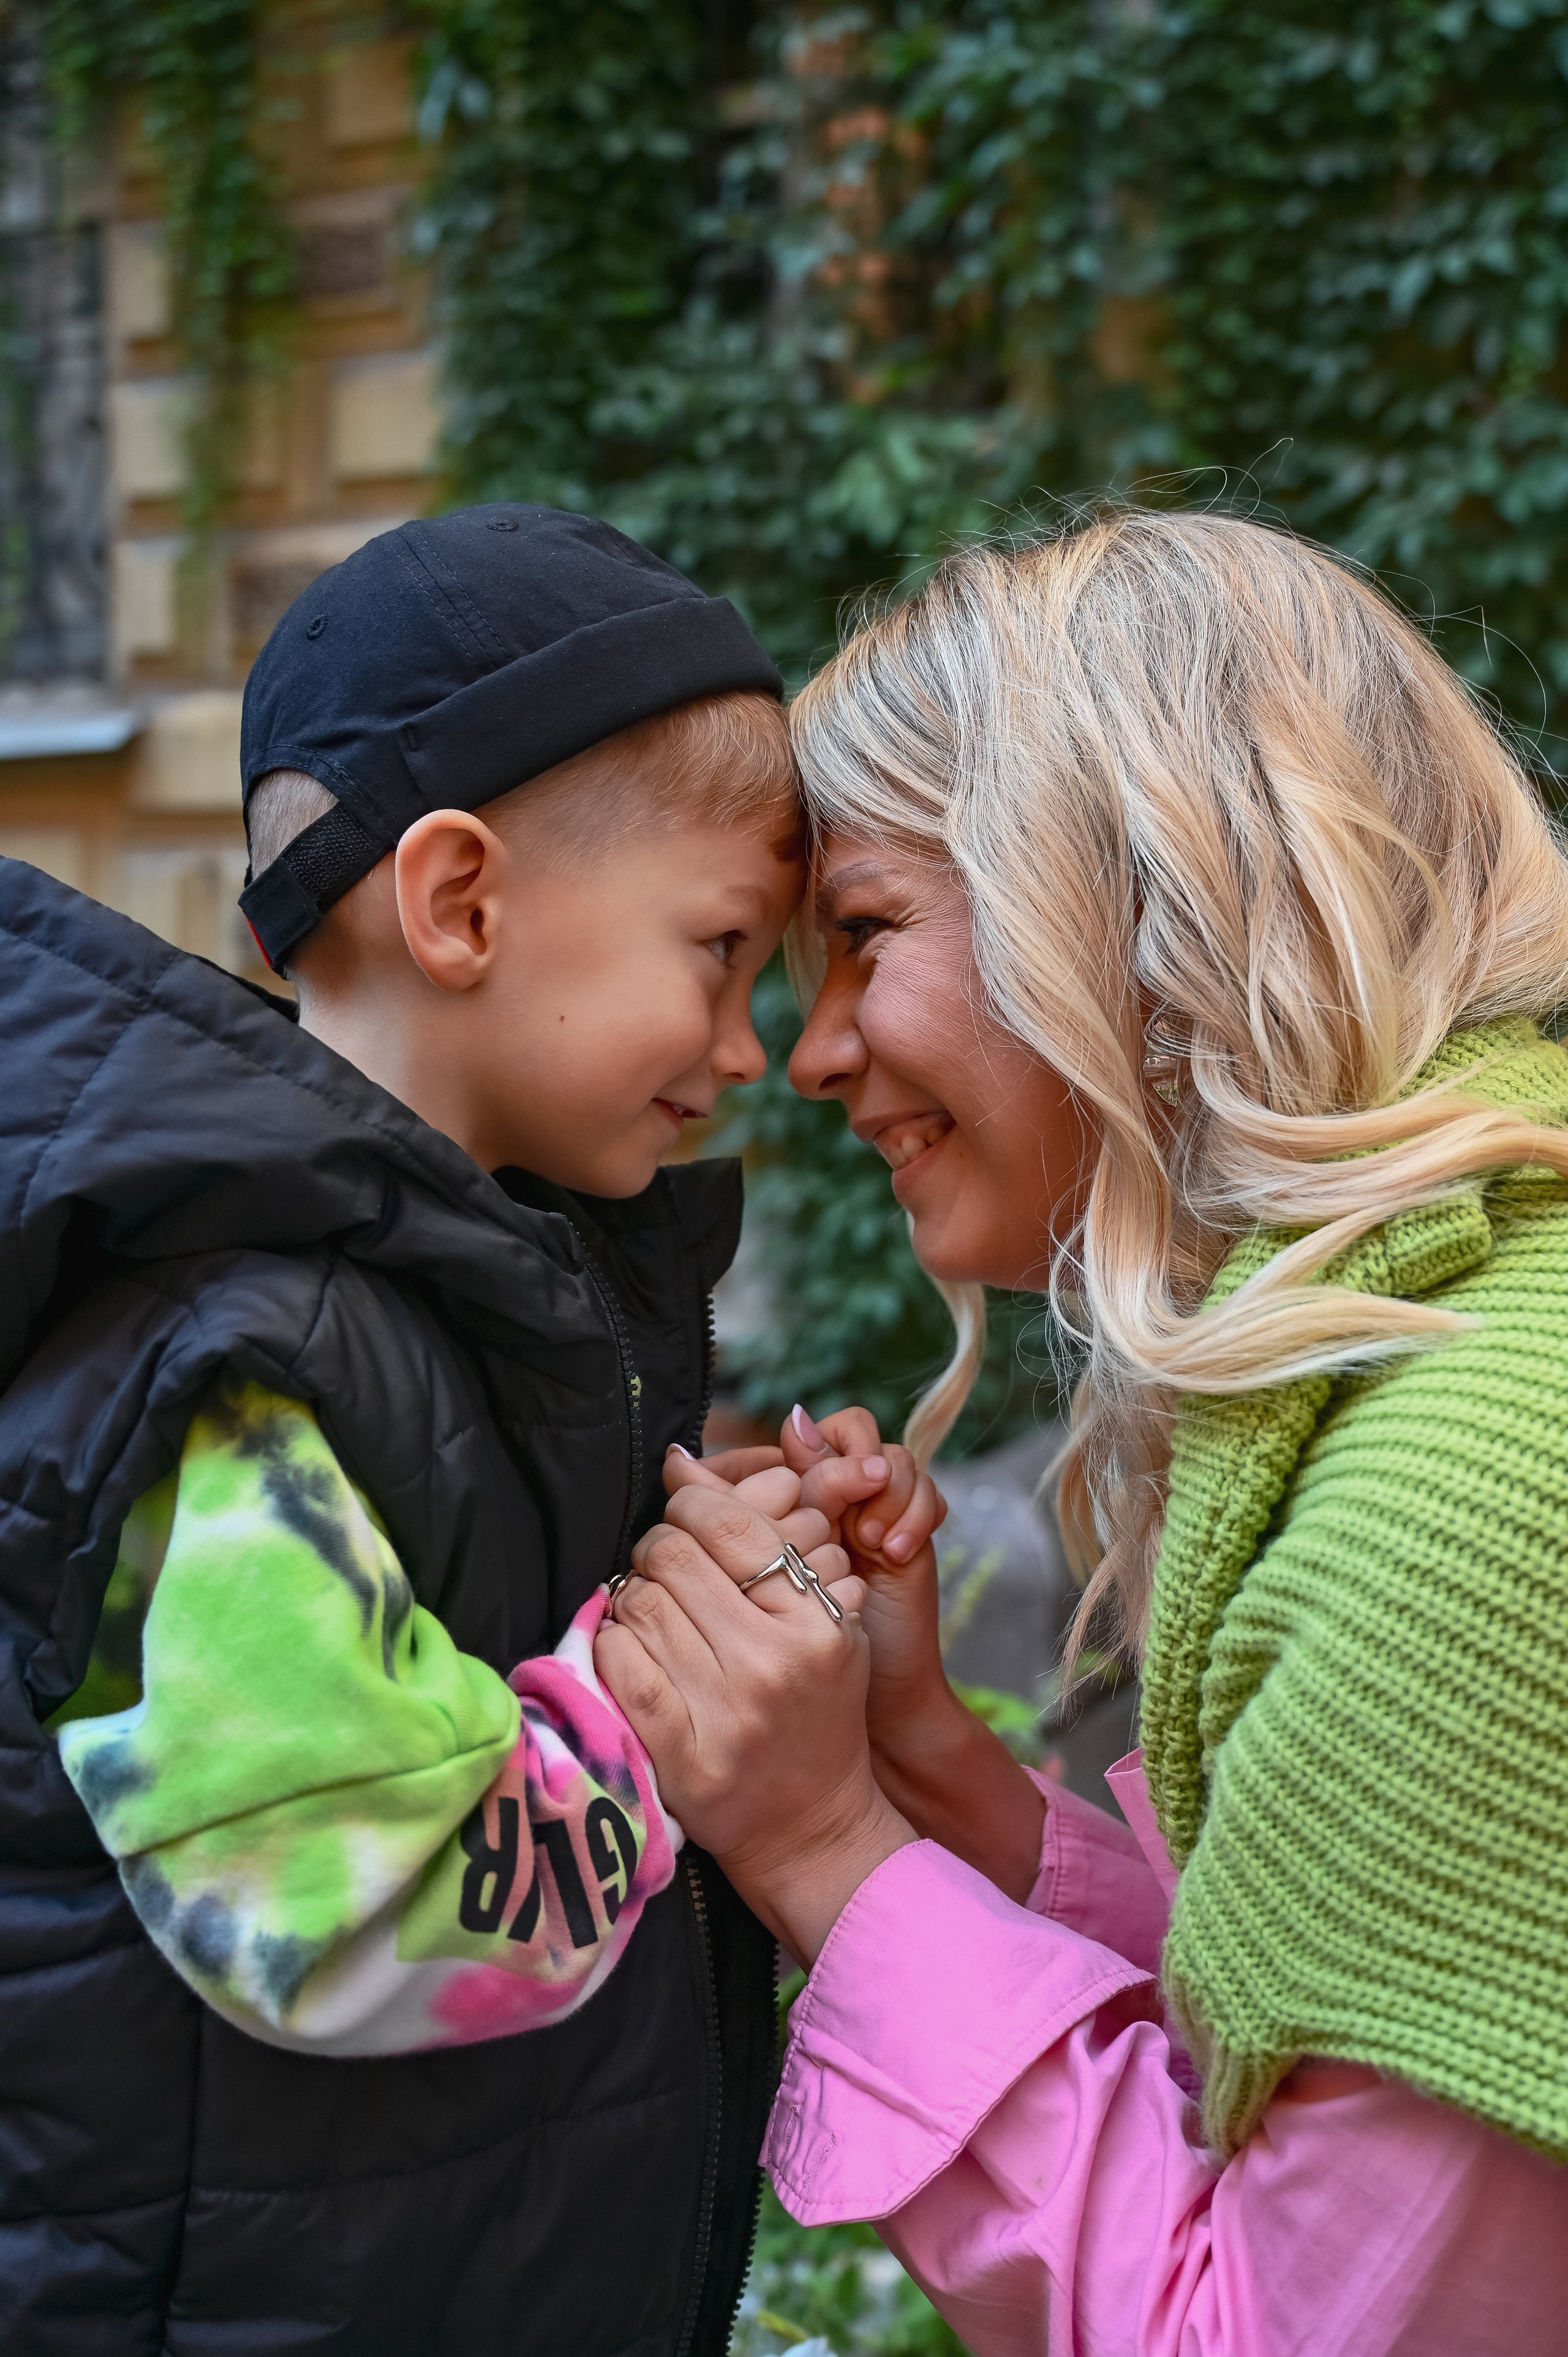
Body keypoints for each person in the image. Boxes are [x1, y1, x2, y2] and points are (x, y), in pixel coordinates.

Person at [594, 511, 1568, 2355]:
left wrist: (816, 1849)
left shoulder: (1470, 1499)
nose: (808, 1053)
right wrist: (921, 1767)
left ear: (1126, 892)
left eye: (867, 933)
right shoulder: (1476, 1320)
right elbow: (1313, 2042)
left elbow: (1268, 2326)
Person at [0, 503, 932, 2355]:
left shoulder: (459, 1295)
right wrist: (667, 1696)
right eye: (724, 947)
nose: (754, 1049)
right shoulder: (237, 1366)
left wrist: (729, 1570)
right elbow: (351, 1900)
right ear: (461, 905)